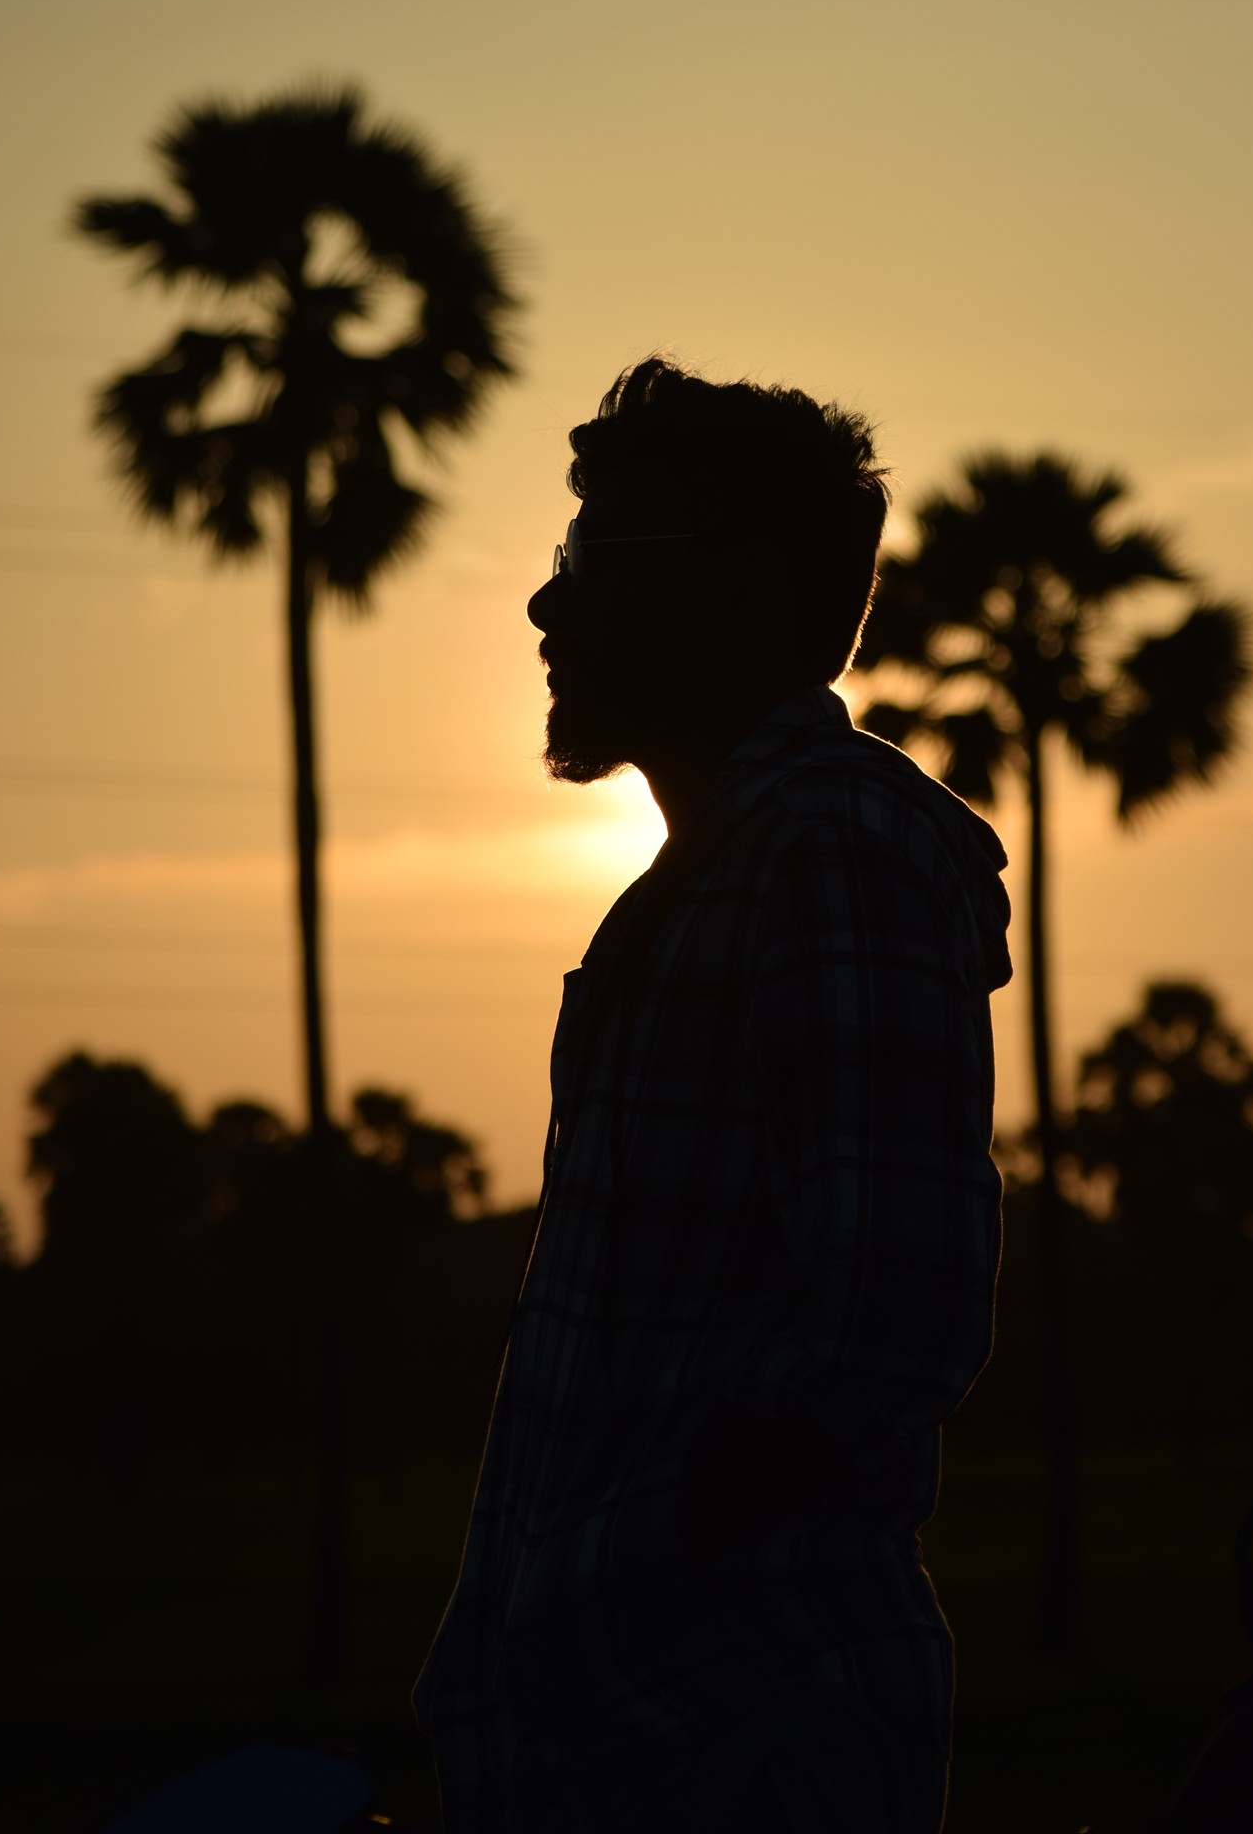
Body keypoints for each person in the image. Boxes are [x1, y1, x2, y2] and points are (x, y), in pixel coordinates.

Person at [415, 358, 1011, 1832]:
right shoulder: (720, 871)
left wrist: (648, 1567)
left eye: (593, 562)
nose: (549, 608)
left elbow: (889, 1327)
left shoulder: (832, 852)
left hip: (726, 1741)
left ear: (737, 593)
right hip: (626, 1742)